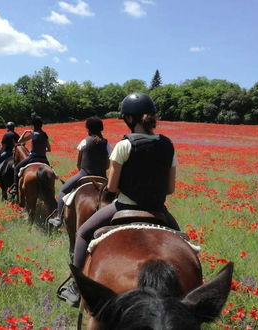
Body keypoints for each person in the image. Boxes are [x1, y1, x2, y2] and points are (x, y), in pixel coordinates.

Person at [58, 92, 181, 307]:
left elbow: (112, 186)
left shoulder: (124, 145)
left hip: (124, 206)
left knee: (83, 233)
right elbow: (170, 188)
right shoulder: (168, 145)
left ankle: (76, 288)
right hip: (158, 210)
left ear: (129, 119)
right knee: (184, 243)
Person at [48, 117, 111, 227]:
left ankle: (59, 217)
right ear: (101, 129)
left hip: (85, 174)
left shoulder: (85, 141)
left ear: (88, 129)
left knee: (63, 190)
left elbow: (79, 164)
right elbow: (107, 165)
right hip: (102, 176)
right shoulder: (106, 144)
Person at [10, 116, 51, 194]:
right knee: (51, 171)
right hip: (44, 158)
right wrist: (42, 150)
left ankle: (15, 187)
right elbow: (49, 149)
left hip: (33, 158)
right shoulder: (45, 135)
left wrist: (25, 132)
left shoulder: (32, 134)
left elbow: (19, 141)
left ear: (33, 126)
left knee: (16, 168)